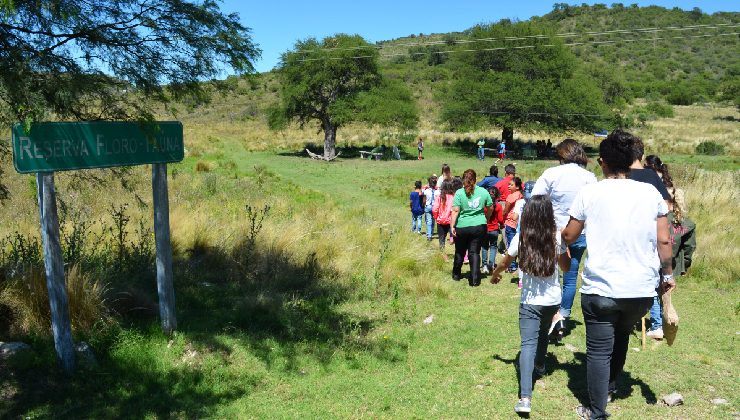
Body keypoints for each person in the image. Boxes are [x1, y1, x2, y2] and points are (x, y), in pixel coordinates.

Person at [562, 129, 675, 420]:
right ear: (633, 160)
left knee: (598, 350)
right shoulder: (651, 193)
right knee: (622, 337)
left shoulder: (591, 192)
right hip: (640, 290)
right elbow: (664, 241)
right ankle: (611, 386)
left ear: (603, 162)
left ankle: (597, 410)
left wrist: (562, 232)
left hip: (601, 288)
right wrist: (667, 274)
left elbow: (571, 236)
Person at [491, 195, 570, 415]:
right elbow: (565, 267)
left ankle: (525, 398)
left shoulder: (521, 237)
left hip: (530, 301)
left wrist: (496, 275)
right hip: (552, 299)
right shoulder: (556, 237)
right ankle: (540, 366)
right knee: (543, 334)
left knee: (527, 344)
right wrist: (564, 248)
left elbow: (505, 262)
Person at [531, 139, 597, 337]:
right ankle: (563, 316)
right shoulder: (589, 177)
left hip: (554, 231)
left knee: (551, 276)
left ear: (561, 156)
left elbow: (535, 199)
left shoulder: (551, 174)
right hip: (580, 232)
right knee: (570, 277)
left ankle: (549, 314)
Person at [643, 155, 696, 340]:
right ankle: (662, 320)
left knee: (656, 291)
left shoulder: (661, 219)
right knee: (661, 291)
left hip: (658, 256)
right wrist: (684, 265)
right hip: (670, 260)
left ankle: (657, 323)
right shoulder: (685, 223)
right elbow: (688, 248)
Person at [450, 169, 492, 286]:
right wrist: (486, 218)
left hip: (462, 226)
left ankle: (456, 274)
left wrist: (452, 226)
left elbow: (455, 211)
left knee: (459, 251)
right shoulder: (483, 192)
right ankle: (474, 280)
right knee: (474, 252)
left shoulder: (459, 193)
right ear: (475, 179)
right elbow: (490, 207)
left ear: (464, 180)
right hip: (479, 226)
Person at [502, 177, 523, 272]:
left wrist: (502, 219)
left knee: (510, 244)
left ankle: (512, 265)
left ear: (517, 187)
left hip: (510, 222)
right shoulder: (521, 195)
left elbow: (505, 210)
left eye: (511, 185)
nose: (509, 186)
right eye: (509, 184)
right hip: (519, 223)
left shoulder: (511, 196)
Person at [481, 187, 504, 274]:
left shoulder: (484, 205)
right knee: (493, 247)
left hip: (484, 229)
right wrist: (501, 225)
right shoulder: (498, 206)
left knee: (484, 247)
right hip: (494, 229)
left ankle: (484, 265)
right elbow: (500, 219)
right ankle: (491, 264)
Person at [433, 179, 456, 261]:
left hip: (440, 221)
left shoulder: (439, 197)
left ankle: (444, 256)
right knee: (456, 238)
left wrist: (436, 217)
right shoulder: (453, 197)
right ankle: (459, 256)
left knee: (441, 239)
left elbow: (435, 209)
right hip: (451, 221)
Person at [422, 175, 438, 242]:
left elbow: (424, 200)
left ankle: (429, 235)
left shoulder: (426, 191)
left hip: (428, 206)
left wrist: (423, 205)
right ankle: (431, 232)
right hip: (434, 207)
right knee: (433, 221)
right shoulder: (438, 192)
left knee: (429, 221)